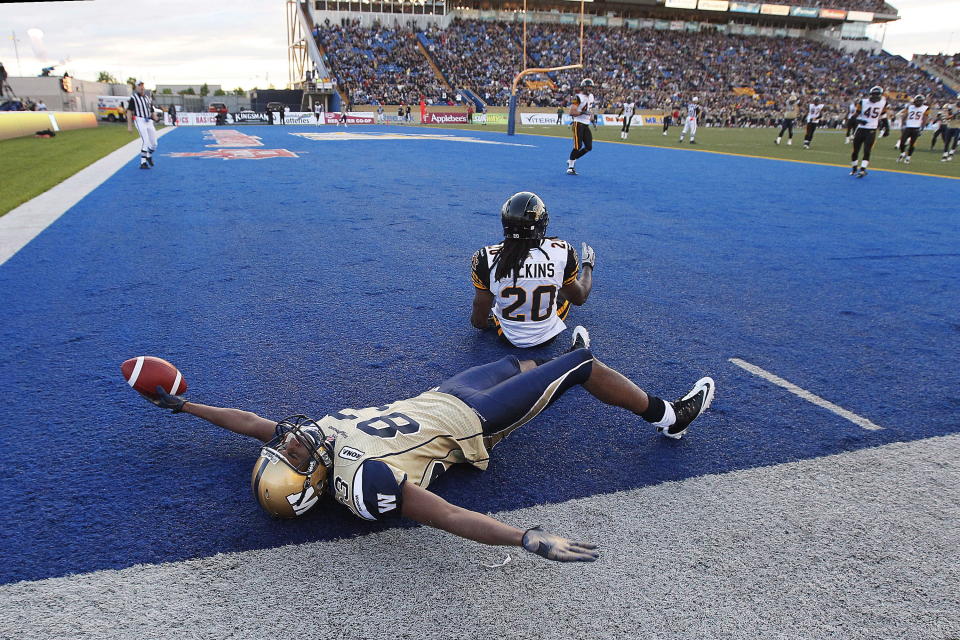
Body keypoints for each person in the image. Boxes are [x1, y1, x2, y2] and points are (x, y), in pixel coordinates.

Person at [141, 328, 716, 563]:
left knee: (518, 361)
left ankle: (553, 368)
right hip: (471, 421)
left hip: (435, 396)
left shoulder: (309, 449)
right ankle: (670, 416)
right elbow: (445, 514)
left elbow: (249, 423)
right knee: (584, 364)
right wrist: (527, 538)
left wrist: (184, 406)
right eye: (292, 455)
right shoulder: (362, 484)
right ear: (313, 484)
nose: (291, 438)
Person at [471, 192, 593, 348]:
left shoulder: (485, 257)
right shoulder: (562, 251)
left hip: (507, 336)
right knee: (564, 287)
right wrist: (588, 266)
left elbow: (479, 321)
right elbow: (579, 298)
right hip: (546, 337)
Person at [849, 85, 888, 178]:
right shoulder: (863, 102)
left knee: (867, 150)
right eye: (872, 95)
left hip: (871, 130)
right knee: (855, 151)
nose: (873, 97)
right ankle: (854, 168)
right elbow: (854, 116)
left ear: (879, 96)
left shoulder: (883, 103)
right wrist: (858, 120)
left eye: (876, 95)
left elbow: (883, 116)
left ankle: (862, 169)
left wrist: (887, 128)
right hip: (861, 129)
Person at [566, 78, 595, 175]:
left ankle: (571, 159)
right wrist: (583, 112)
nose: (589, 88)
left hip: (586, 124)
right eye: (588, 86)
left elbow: (590, 109)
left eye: (591, 86)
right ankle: (570, 167)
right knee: (577, 146)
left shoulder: (591, 96)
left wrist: (592, 118)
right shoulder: (577, 97)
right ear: (583, 87)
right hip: (578, 123)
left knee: (588, 147)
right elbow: (571, 112)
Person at [127, 80, 158, 170]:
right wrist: (129, 125)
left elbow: (152, 110)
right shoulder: (133, 98)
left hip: (149, 121)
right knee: (146, 141)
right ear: (136, 87)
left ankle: (148, 155)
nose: (141, 87)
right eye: (139, 85)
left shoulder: (147, 98)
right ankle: (143, 162)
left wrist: (155, 117)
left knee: (154, 144)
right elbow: (129, 111)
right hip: (140, 120)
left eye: (142, 85)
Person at [896, 95, 927, 164]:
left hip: (916, 128)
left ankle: (908, 157)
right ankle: (902, 153)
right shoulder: (910, 107)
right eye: (917, 101)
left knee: (912, 144)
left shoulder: (925, 108)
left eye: (920, 101)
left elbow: (924, 119)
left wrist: (922, 129)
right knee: (902, 142)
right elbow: (905, 115)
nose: (918, 103)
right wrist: (903, 124)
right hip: (908, 127)